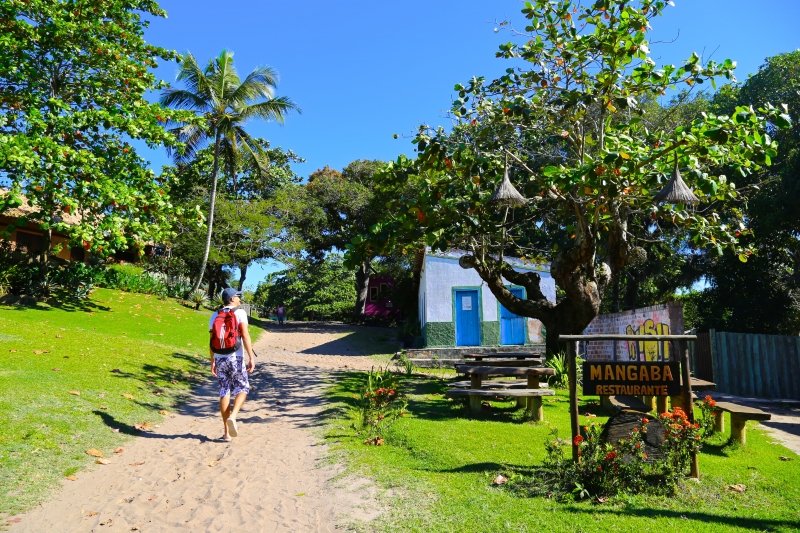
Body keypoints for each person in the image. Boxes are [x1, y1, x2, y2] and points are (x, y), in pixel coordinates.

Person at [209, 287, 255, 442]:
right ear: (233, 298)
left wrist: (212, 360)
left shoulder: (215, 315)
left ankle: (226, 433)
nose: (240, 299)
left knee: (224, 391)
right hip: (236, 357)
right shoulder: (240, 313)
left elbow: (211, 341)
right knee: (243, 388)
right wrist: (251, 357)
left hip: (219, 357)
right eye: (238, 297)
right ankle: (233, 416)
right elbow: (245, 336)